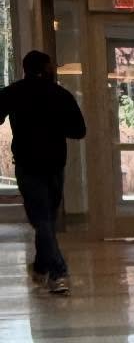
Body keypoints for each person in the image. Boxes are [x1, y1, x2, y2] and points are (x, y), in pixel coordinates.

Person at [0, 50, 86, 296]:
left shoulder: (14, 92)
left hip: (28, 165)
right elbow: (79, 130)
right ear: (47, 68)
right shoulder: (60, 94)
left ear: (25, 68)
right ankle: (58, 273)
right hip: (55, 165)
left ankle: (40, 268)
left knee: (42, 220)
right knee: (46, 218)